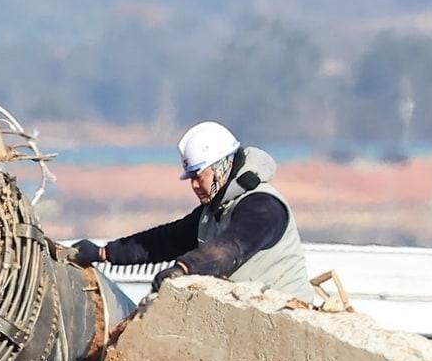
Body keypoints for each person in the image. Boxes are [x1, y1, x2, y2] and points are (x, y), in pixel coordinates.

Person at [72, 121, 314, 302]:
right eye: (191, 178)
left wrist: (184, 269)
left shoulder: (263, 207)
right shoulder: (213, 212)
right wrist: (103, 252)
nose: (195, 185)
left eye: (199, 176)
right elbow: (163, 241)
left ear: (221, 166)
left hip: (287, 317)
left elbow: (229, 248)